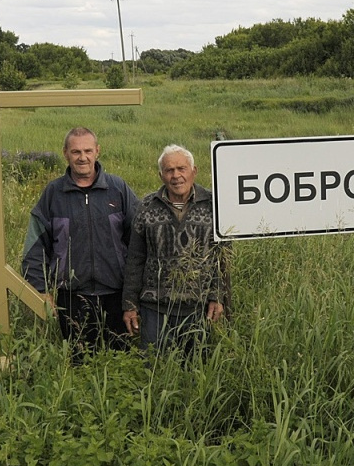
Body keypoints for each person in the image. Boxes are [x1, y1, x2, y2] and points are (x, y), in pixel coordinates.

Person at [22, 127, 139, 363]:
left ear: (97, 151)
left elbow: (139, 245)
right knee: (79, 364)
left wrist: (133, 298)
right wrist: (42, 290)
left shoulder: (118, 189)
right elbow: (34, 248)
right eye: (75, 151)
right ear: (65, 153)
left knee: (120, 364)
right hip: (71, 298)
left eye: (87, 150)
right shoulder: (53, 194)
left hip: (116, 296)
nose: (82, 157)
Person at [122, 144, 231, 358]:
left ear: (194, 171)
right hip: (155, 308)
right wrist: (129, 304)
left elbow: (223, 258)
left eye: (182, 168)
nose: (176, 176)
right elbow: (135, 259)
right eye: (169, 170)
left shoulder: (214, 205)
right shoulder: (146, 207)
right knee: (154, 370)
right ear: (161, 175)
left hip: (199, 309)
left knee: (196, 372)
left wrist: (217, 296)